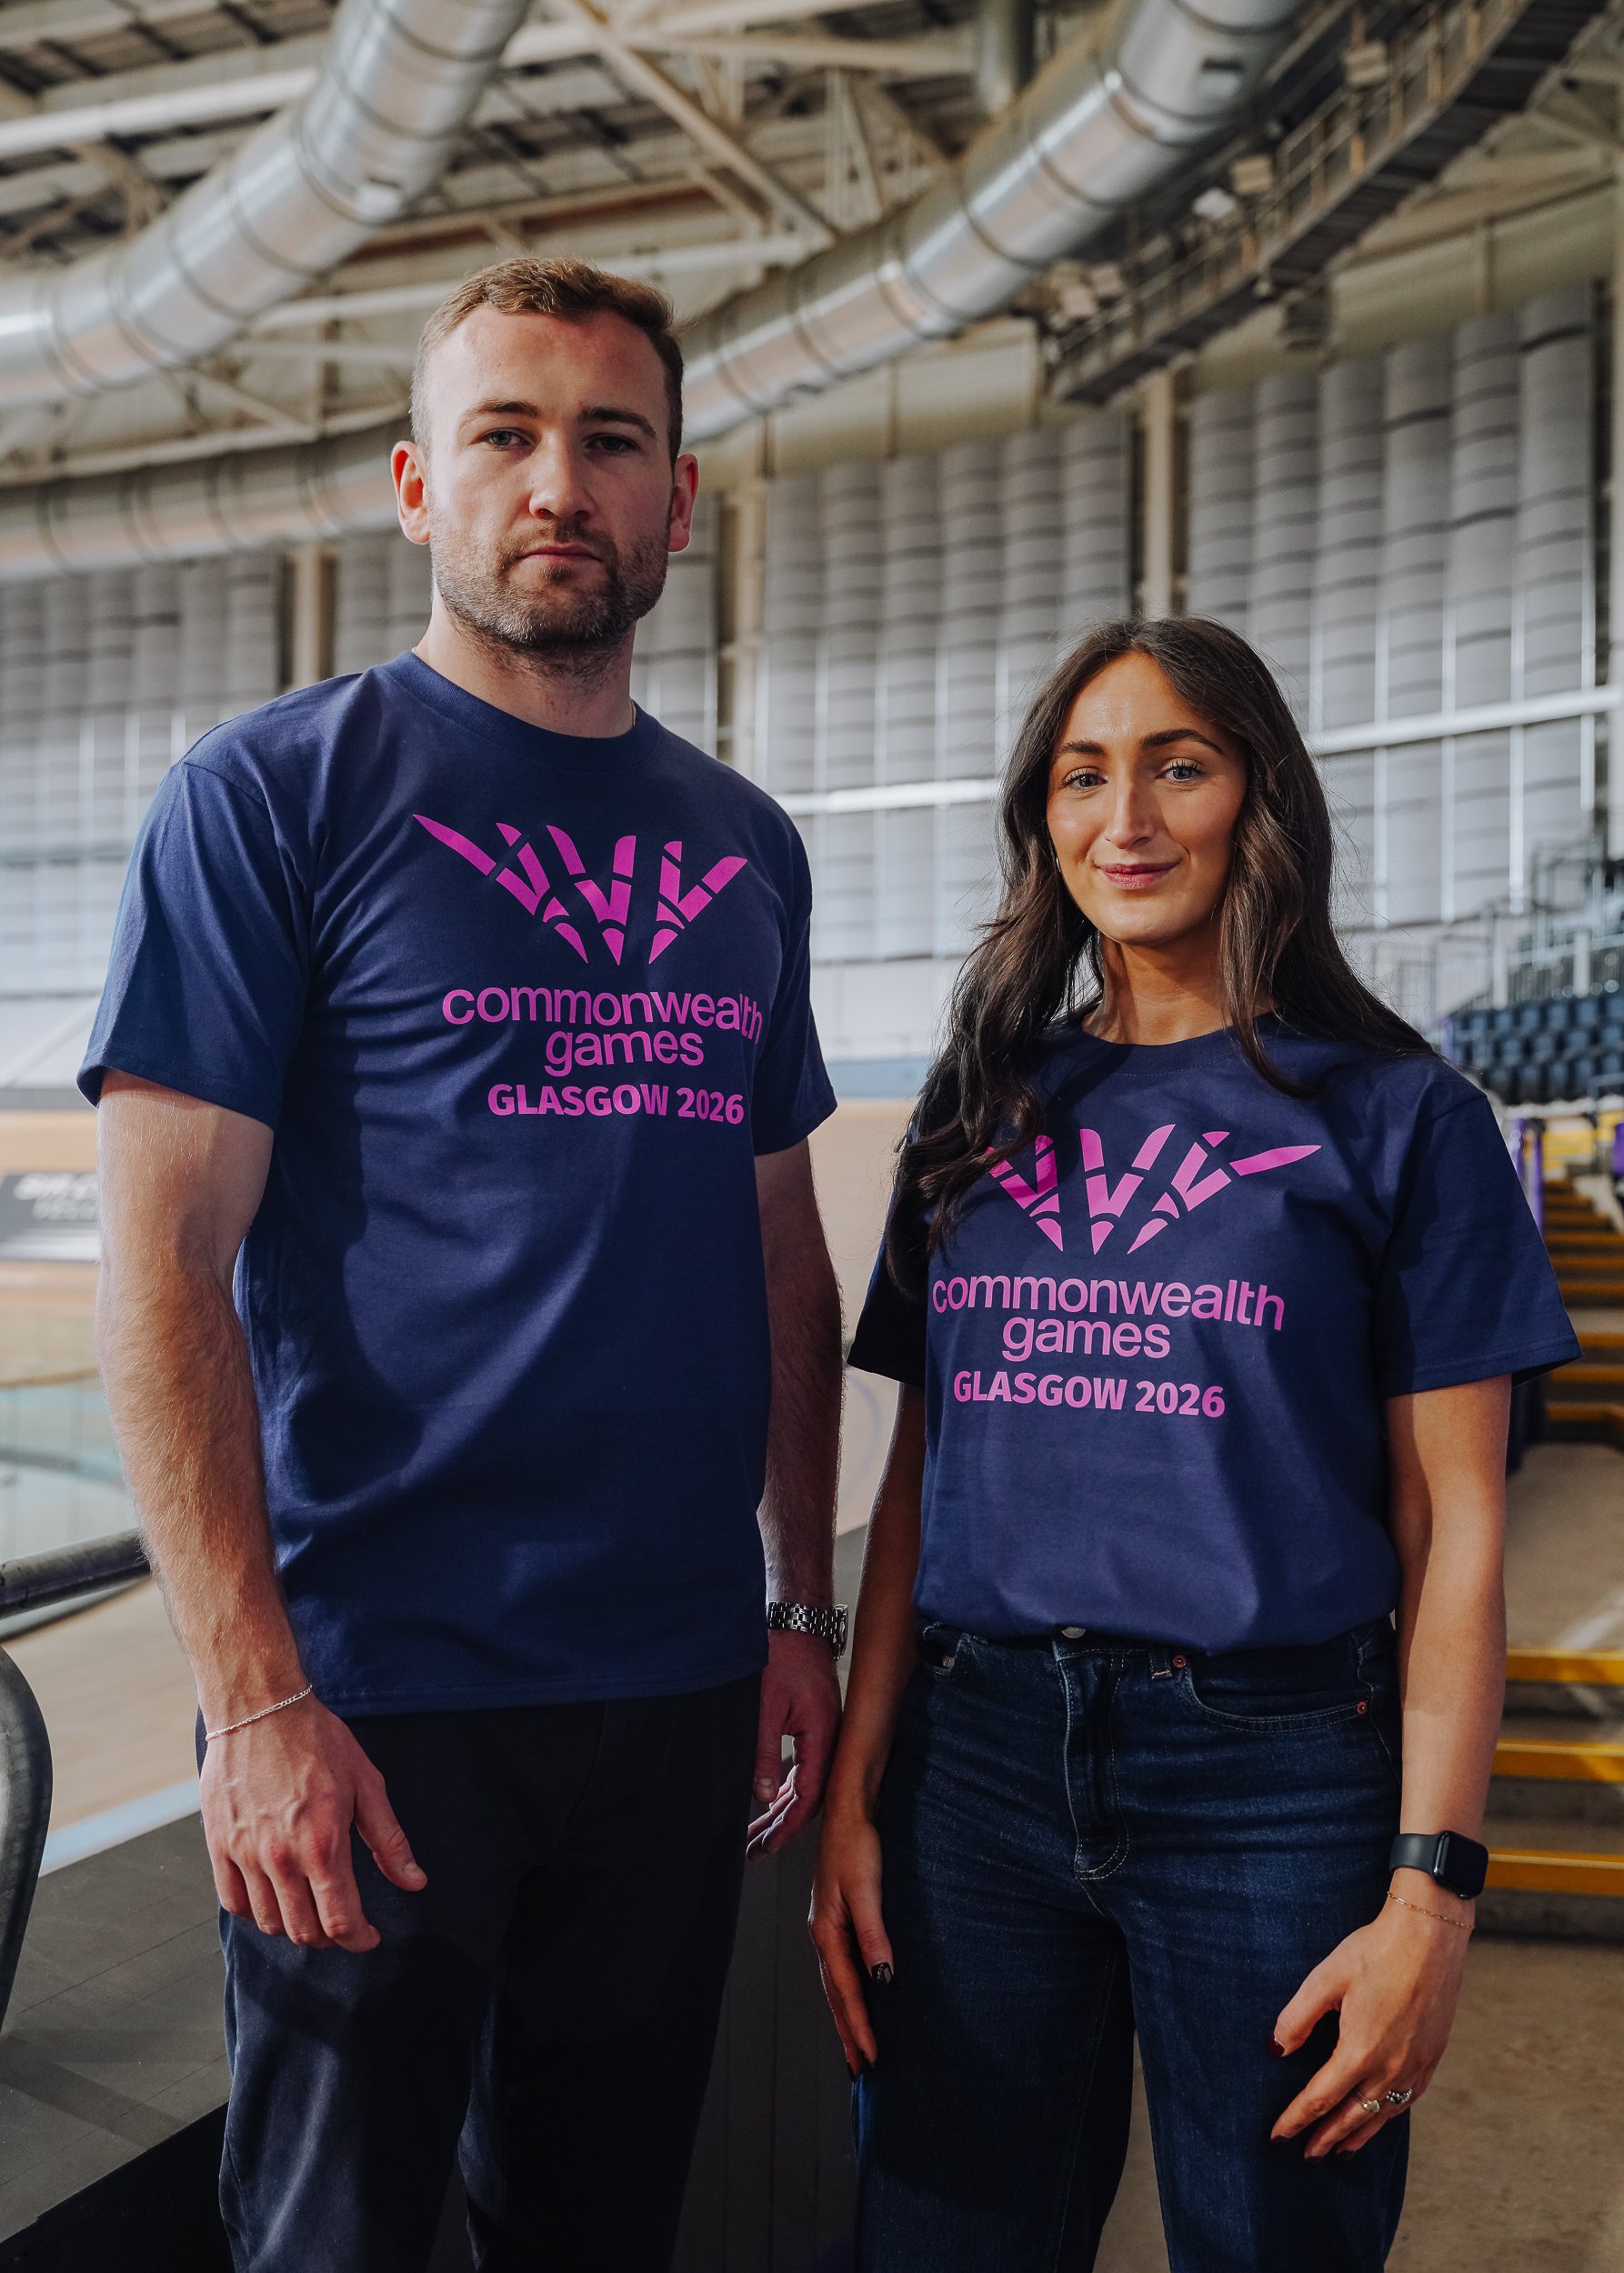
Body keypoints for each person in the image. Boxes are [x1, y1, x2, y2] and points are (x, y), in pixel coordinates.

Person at [85, 257, 847, 2273]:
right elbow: (160, 1263)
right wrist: (251, 1695)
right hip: (377, 1697)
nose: (557, 485)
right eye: (505, 434)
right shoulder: (272, 798)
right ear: (417, 487)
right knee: (328, 2240)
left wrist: (797, 1595)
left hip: (675, 1682)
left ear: (677, 504)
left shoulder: (742, 844)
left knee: (593, 2229)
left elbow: (775, 1235)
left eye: (610, 442)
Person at [810, 617, 1579, 2272]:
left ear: (1258, 800)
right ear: (1043, 823)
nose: (1127, 819)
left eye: (1179, 765)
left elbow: (1451, 1537)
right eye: (1082, 776)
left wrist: (1430, 1889)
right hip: (979, 1770)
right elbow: (918, 1479)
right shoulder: (980, 1099)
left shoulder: (1397, 1119)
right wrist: (856, 1797)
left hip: (1274, 1774)